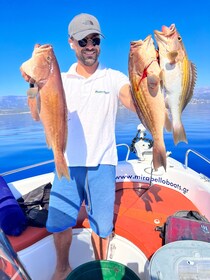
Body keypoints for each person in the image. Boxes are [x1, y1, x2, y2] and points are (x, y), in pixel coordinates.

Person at [45, 13, 136, 280]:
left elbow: (133, 101)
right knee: (60, 222)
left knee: (102, 225)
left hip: (103, 163)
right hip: (67, 162)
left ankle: (100, 269)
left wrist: (150, 80)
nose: (90, 45)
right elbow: (40, 113)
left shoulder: (113, 77)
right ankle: (62, 268)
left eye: (94, 39)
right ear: (72, 43)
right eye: (83, 40)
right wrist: (31, 85)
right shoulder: (58, 81)